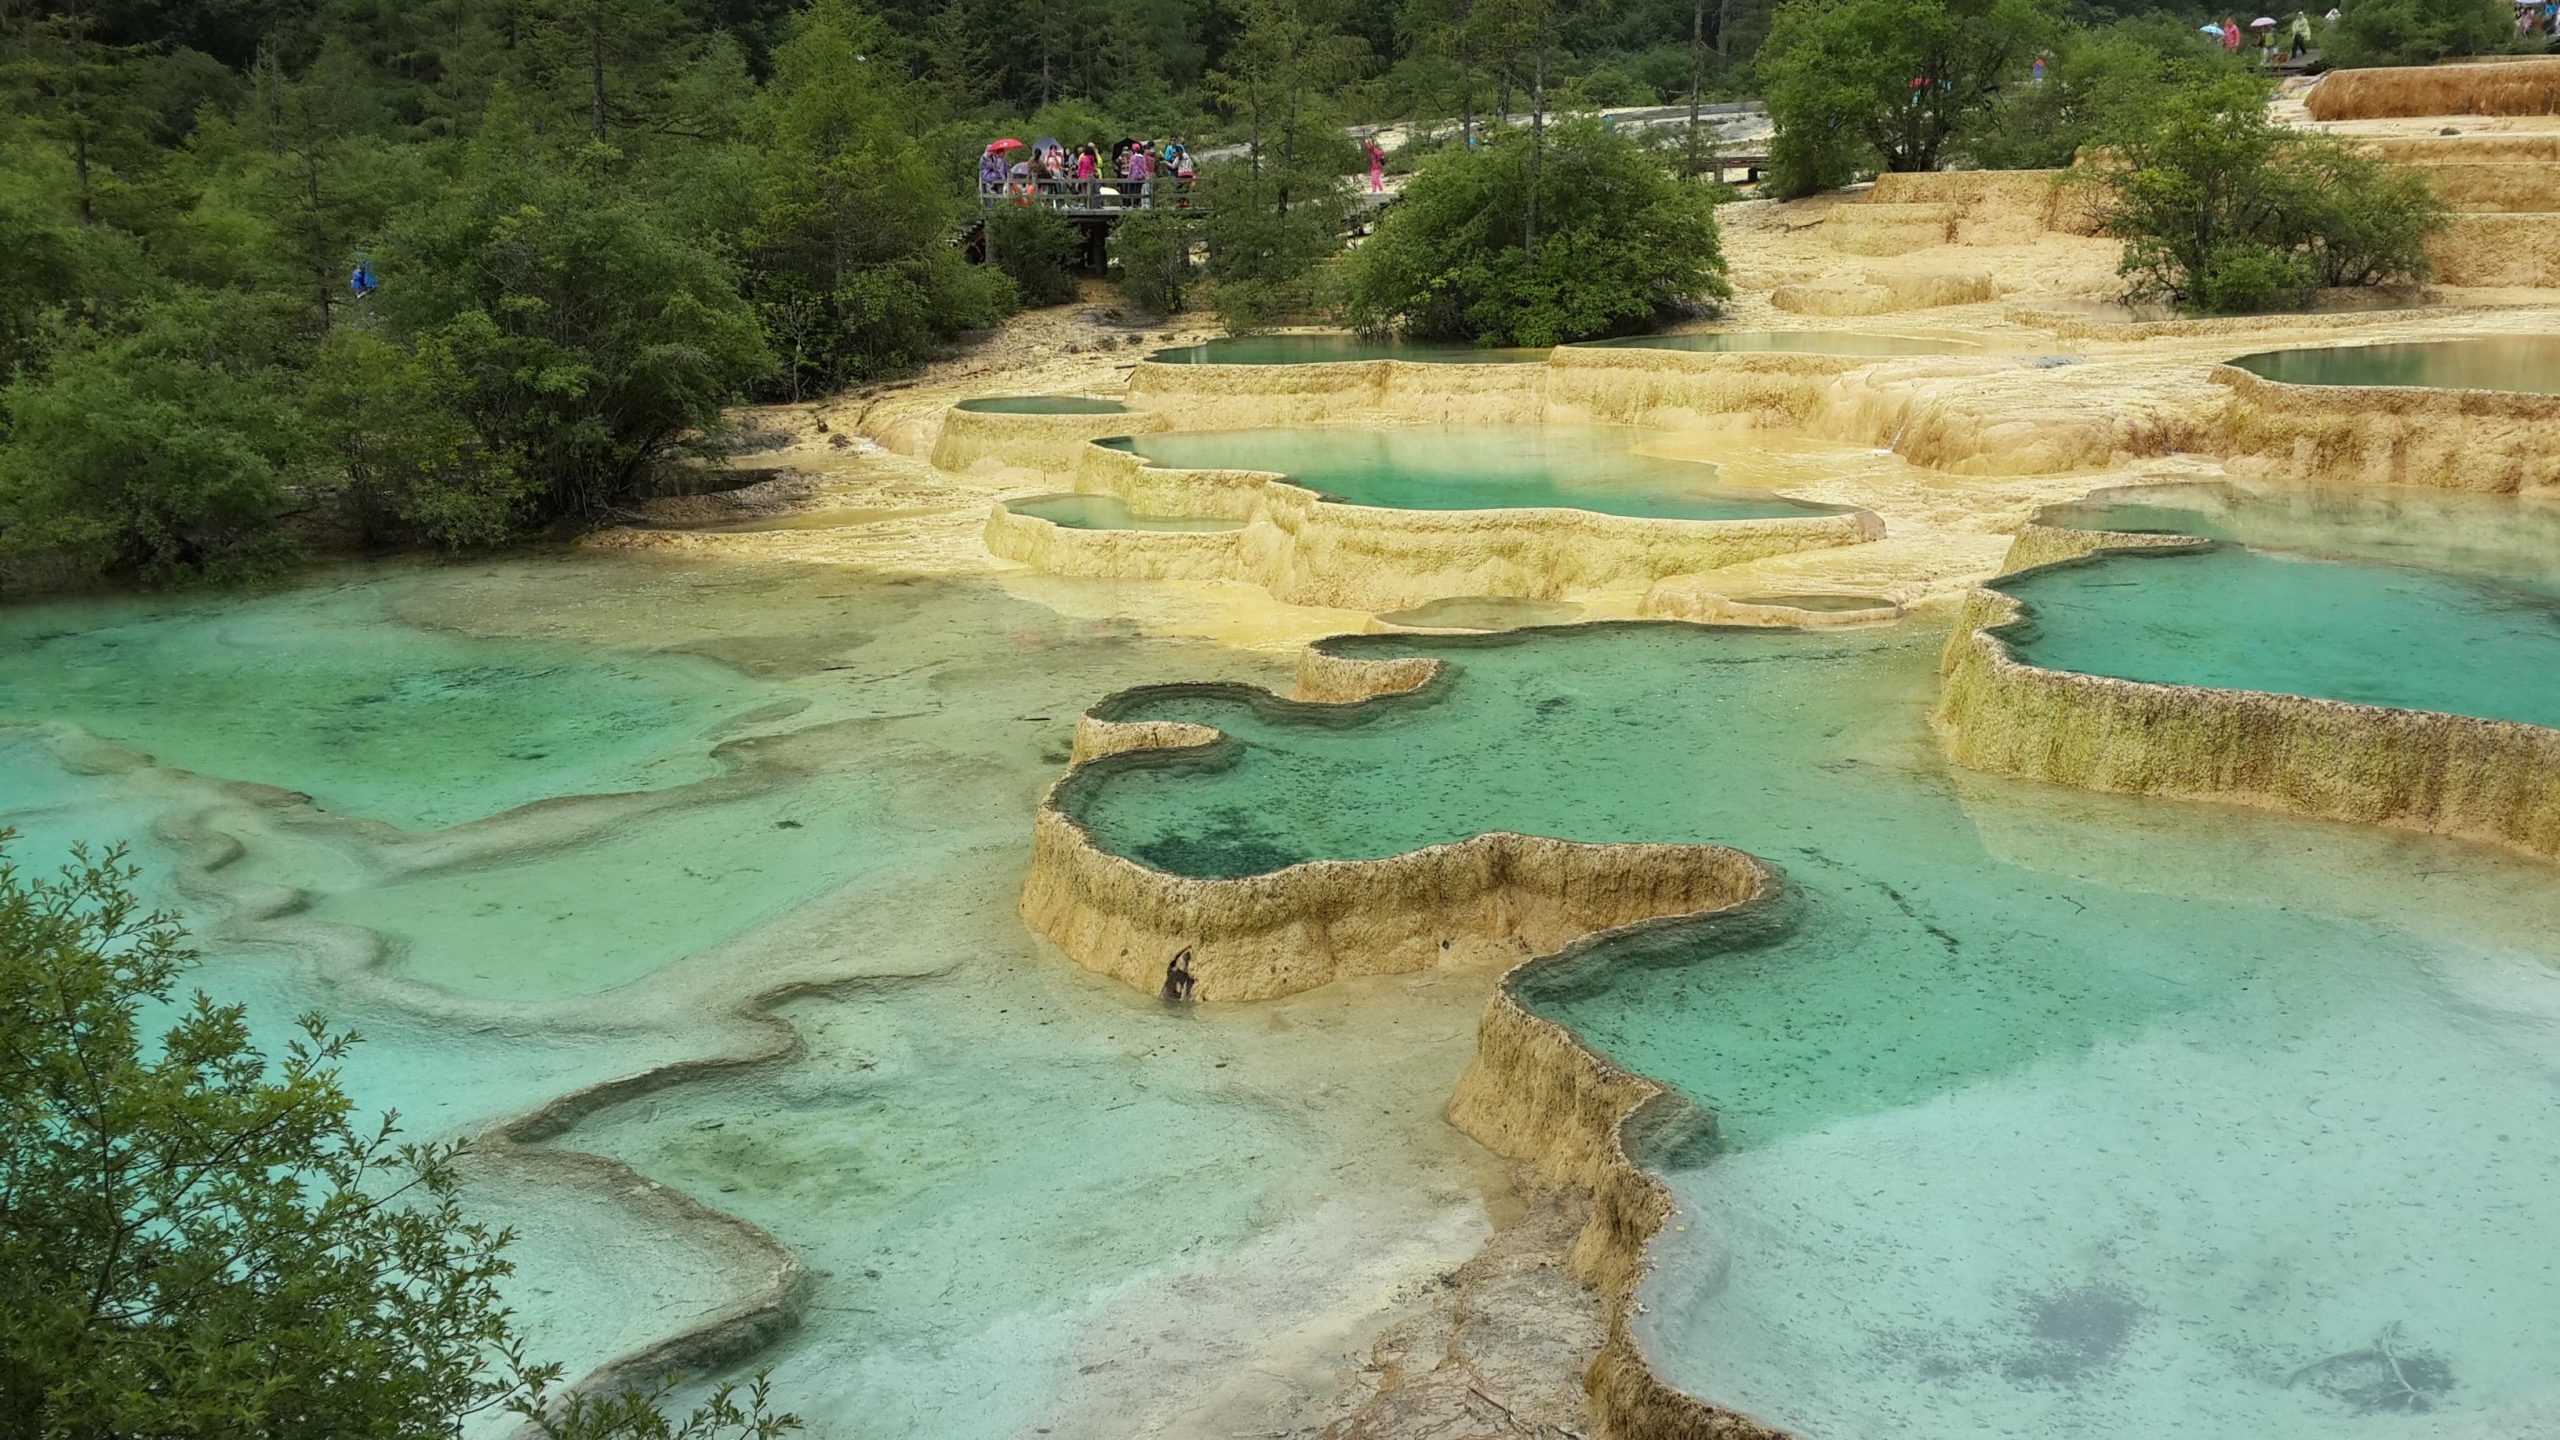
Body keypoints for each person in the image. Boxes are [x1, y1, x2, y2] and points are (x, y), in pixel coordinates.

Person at [1126, 140, 1153, 210]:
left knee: (1133, 190)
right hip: (1141, 176)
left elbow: (1131, 168)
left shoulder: (1133, 157)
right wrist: (1145, 175)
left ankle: (1133, 204)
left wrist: (1129, 176)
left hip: (1133, 176)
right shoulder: (1142, 157)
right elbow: (1143, 167)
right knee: (1139, 190)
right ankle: (1137, 204)